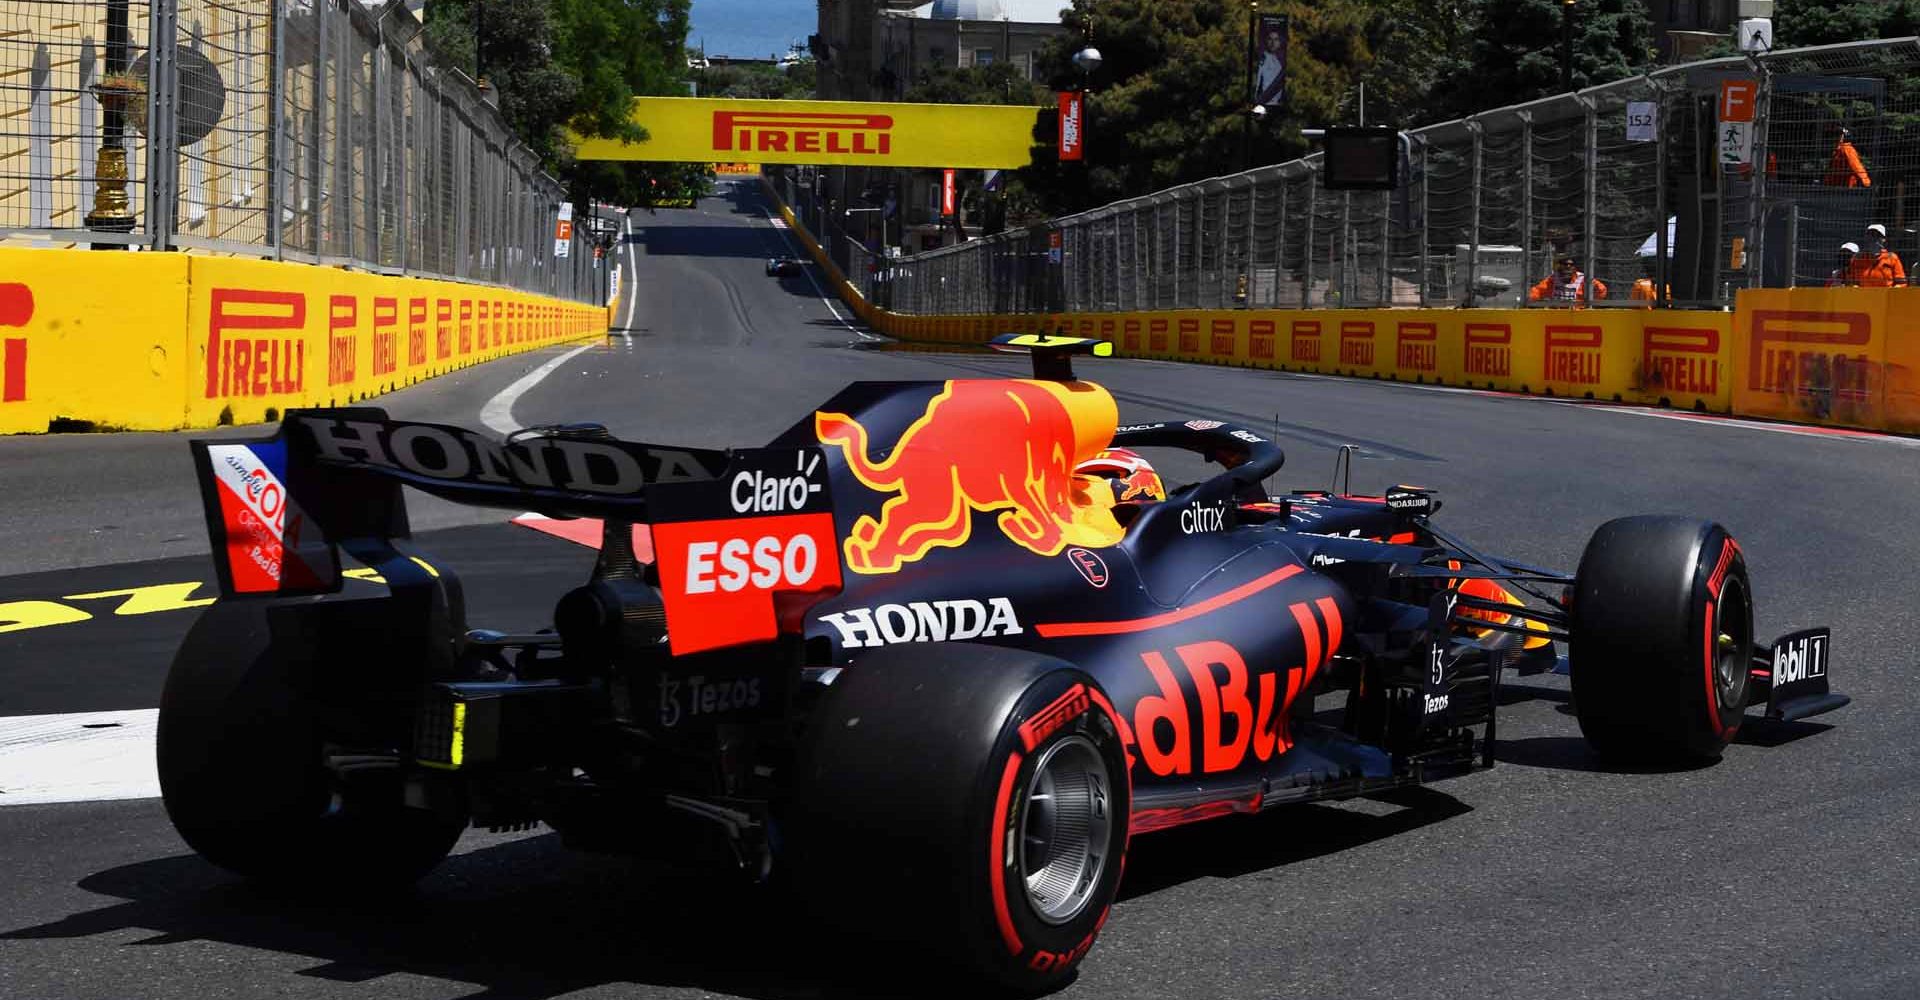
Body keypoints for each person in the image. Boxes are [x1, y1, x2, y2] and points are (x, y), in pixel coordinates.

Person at [1528, 255, 1608, 305]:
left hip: (1577, 314)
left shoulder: (1583, 279)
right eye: (1565, 264)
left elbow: (1601, 290)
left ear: (1575, 268)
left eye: (1571, 264)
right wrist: (1528, 298)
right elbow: (1537, 291)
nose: (1568, 266)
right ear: (1559, 266)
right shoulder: (1552, 280)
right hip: (1556, 315)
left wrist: (1585, 304)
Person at [1253, 23, 1287, 107]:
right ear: (1266, 41)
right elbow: (1257, 84)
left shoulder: (1278, 63)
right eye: (1270, 39)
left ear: (1279, 42)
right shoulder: (1262, 59)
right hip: (1262, 103)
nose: (1273, 42)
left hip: (1276, 105)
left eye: (1276, 39)